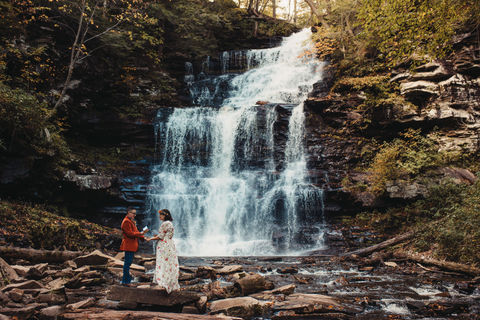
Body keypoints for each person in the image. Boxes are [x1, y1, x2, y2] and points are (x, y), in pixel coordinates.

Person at [146, 209, 180, 293]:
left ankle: (163, 280)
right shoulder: (170, 223)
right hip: (170, 244)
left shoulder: (165, 224)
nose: (159, 216)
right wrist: (157, 236)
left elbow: (160, 237)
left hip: (164, 245)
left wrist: (150, 238)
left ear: (165, 215)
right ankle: (170, 280)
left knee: (162, 262)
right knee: (169, 262)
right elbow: (166, 235)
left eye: (161, 215)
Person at [120, 207, 148, 286]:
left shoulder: (131, 221)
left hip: (131, 245)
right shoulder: (126, 222)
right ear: (128, 213)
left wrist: (143, 237)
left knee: (128, 263)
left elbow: (135, 231)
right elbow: (130, 234)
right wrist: (141, 233)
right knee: (127, 263)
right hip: (129, 245)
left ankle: (126, 280)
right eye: (133, 213)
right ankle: (125, 282)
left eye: (135, 213)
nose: (134, 215)